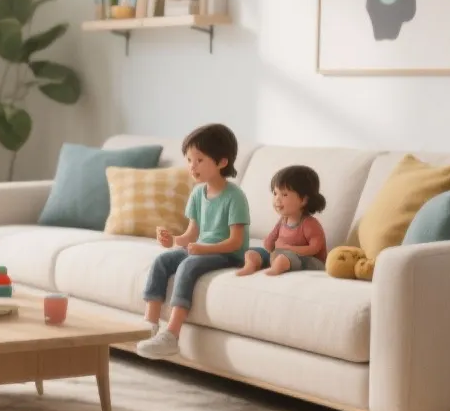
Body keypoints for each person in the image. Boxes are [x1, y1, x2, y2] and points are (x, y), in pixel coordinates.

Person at [135, 124, 248, 359]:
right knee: (163, 261)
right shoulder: (198, 193)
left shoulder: (235, 197)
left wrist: (204, 249)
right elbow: (191, 235)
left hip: (227, 254)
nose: (192, 166)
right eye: (189, 160)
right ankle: (150, 325)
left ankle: (172, 335)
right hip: (202, 249)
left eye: (199, 160)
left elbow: (236, 243)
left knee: (188, 265)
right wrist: (172, 241)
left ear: (221, 162)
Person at [236, 165, 328, 276]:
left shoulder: (309, 224)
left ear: (304, 200)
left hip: (310, 261)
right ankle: (251, 264)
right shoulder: (283, 220)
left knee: (285, 257)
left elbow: (314, 249)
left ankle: (277, 267)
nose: (277, 199)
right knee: (251, 252)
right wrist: (268, 243)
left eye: (284, 194)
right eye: (275, 193)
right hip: (281, 254)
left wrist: (289, 249)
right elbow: (271, 241)